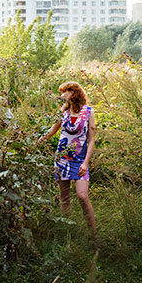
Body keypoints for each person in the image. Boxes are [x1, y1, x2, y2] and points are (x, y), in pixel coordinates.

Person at [38, 81, 96, 233]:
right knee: (65, 200)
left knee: (82, 196)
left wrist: (86, 163)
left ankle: (94, 235)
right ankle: (67, 234)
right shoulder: (63, 112)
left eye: (64, 91)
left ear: (73, 92)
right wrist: (35, 141)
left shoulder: (89, 112)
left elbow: (91, 140)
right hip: (62, 159)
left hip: (79, 161)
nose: (61, 95)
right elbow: (51, 132)